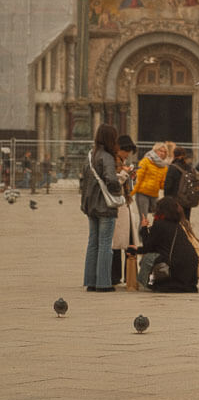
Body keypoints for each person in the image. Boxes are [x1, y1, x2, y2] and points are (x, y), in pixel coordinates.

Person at [81, 123, 122, 292]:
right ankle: (104, 283)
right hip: (105, 205)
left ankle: (91, 281)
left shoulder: (90, 155)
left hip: (90, 205)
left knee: (93, 243)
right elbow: (111, 179)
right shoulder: (107, 157)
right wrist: (118, 188)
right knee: (105, 244)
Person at [132, 197, 199, 293]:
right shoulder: (177, 225)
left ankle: (149, 283)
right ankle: (153, 282)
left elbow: (148, 247)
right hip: (190, 271)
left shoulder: (159, 224)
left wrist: (143, 229)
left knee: (147, 259)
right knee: (154, 258)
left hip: (175, 267)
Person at [111, 135, 138, 286]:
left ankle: (128, 275)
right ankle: (116, 276)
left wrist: (131, 176)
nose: (127, 154)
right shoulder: (114, 161)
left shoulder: (121, 161)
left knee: (127, 241)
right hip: (118, 204)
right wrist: (125, 173)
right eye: (126, 151)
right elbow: (114, 181)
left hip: (125, 203)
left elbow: (128, 186)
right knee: (118, 242)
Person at [131, 142, 168, 223]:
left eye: (164, 152)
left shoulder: (164, 166)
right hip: (142, 194)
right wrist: (131, 194)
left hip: (154, 195)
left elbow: (162, 185)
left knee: (159, 217)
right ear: (155, 150)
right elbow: (138, 178)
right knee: (144, 219)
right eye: (160, 151)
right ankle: (142, 235)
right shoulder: (146, 161)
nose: (162, 153)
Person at [164, 146, 196, 221]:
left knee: (174, 221)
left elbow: (168, 186)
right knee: (185, 220)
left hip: (174, 199)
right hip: (186, 199)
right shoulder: (190, 168)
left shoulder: (172, 168)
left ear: (174, 155)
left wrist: (166, 198)